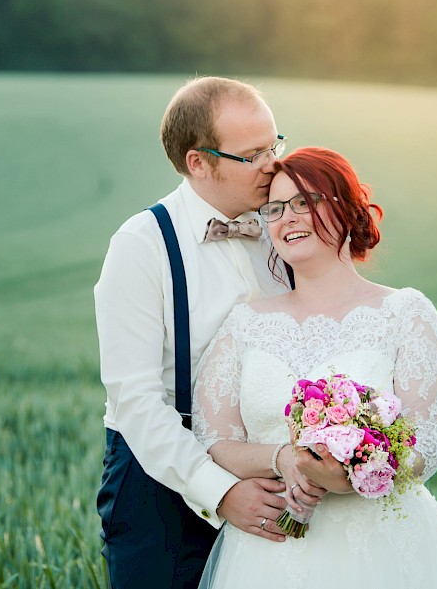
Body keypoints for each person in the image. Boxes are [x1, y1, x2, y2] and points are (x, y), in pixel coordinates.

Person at [193, 147, 437, 588]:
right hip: (271, 550)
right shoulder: (244, 324)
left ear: (348, 209)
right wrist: (286, 460)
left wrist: (351, 472)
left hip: (381, 549)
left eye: (305, 202)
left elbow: (425, 440)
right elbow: (216, 440)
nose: (287, 217)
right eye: (274, 208)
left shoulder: (405, 313)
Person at [95, 77, 308, 588]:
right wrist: (220, 490)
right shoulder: (141, 246)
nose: (274, 164)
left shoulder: (287, 229)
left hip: (280, 476)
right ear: (198, 162)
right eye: (252, 154)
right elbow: (135, 402)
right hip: (161, 484)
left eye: (275, 145)